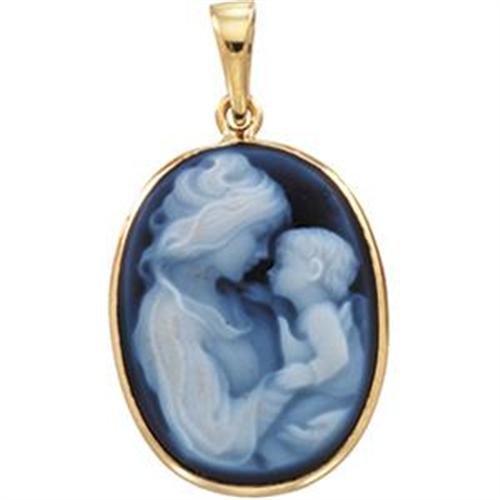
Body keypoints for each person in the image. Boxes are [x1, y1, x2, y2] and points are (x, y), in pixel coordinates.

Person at [134, 152, 292, 467]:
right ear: (218, 228)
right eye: (258, 236)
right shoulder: (170, 321)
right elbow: (214, 439)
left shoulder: (241, 298)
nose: (265, 253)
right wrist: (288, 387)